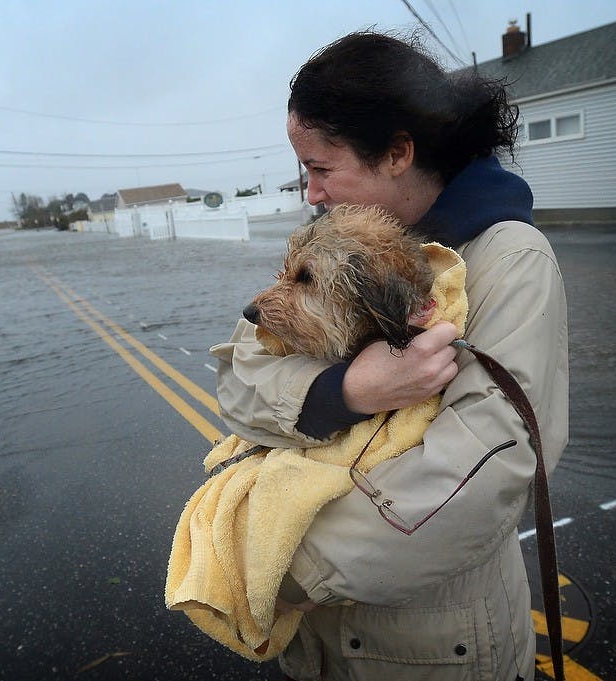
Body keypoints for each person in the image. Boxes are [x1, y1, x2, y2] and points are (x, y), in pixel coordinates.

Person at [210, 32, 568, 681]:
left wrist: (283, 570)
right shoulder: (328, 234)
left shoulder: (508, 261)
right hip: (315, 649)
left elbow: (475, 485)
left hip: (432, 651)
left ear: (398, 152)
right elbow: (239, 373)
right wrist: (346, 390)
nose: (310, 192)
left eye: (321, 167)